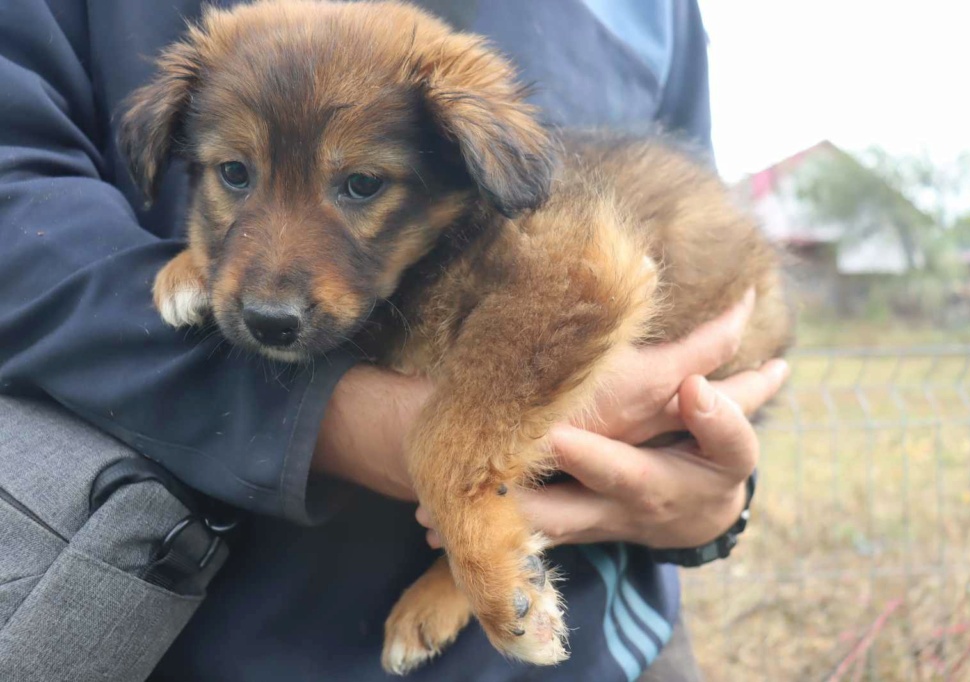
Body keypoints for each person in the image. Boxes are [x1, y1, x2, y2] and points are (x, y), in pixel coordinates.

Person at [0, 0, 788, 680]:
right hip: (186, 623)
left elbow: (668, 278)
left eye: (361, 184)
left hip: (606, 631)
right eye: (232, 174)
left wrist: (713, 498)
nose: (272, 287)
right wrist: (347, 421)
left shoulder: (560, 96)